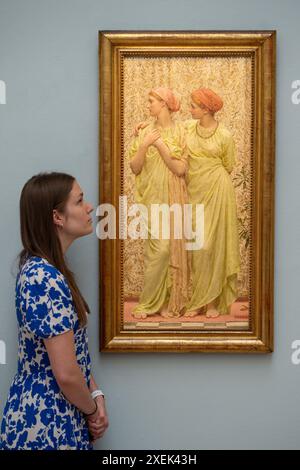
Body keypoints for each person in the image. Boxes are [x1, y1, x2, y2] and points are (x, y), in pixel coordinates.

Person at [0, 172, 109, 450]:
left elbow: (74, 355)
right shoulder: (43, 278)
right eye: (79, 201)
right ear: (57, 217)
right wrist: (92, 411)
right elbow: (66, 373)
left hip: (57, 413)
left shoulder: (48, 272)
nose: (89, 207)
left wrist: (95, 393)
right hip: (45, 421)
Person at [128, 87, 189, 319]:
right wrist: (144, 145)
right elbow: (135, 167)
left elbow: (180, 169)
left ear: (163, 103)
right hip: (151, 200)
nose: (148, 105)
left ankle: (166, 301)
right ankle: (148, 302)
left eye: (151, 101)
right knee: (159, 250)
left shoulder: (181, 132)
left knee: (171, 250)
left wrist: (160, 145)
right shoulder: (144, 132)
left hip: (174, 198)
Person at [184, 88, 240, 318]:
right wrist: (141, 129)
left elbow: (228, 164)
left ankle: (212, 303)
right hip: (195, 190)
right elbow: (165, 131)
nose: (190, 110)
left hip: (218, 190)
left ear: (206, 109)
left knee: (214, 245)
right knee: (198, 246)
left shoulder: (224, 135)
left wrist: (210, 174)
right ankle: (198, 299)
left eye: (194, 106)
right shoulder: (187, 129)